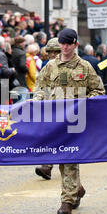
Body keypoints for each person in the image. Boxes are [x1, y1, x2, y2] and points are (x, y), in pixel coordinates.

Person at [33, 28, 105, 214]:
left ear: (75, 45)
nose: (64, 47)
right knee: (60, 158)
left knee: (69, 157)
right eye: (61, 44)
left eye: (68, 44)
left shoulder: (84, 67)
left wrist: (85, 101)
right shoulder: (50, 66)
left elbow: (98, 90)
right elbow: (40, 88)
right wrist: (39, 100)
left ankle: (67, 201)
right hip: (55, 120)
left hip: (76, 120)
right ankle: (77, 189)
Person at [34, 37, 61, 181]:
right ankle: (47, 166)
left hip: (69, 110)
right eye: (50, 52)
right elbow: (39, 86)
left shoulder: (75, 65)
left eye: (56, 52)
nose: (53, 55)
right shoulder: (47, 67)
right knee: (48, 137)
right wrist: (37, 100)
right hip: (50, 108)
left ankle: (76, 189)